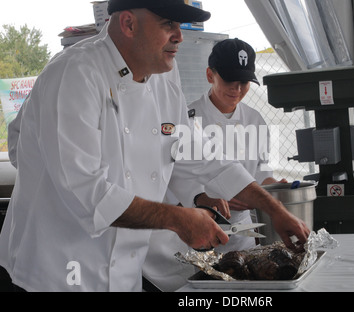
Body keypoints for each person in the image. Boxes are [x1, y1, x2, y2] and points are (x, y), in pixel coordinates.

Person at [0, 0, 309, 292]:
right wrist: (178, 219)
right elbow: (85, 193)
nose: (179, 37)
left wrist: (273, 208)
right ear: (128, 23)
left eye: (179, 24)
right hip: (56, 273)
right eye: (167, 24)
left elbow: (200, 154)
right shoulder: (75, 74)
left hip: (124, 275)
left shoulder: (164, 77)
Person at [187, 38, 287, 253]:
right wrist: (204, 198)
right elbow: (176, 178)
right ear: (209, 75)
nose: (237, 89)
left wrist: (275, 186)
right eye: (230, 80)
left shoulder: (254, 119)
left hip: (244, 234)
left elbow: (261, 170)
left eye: (244, 82)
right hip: (199, 231)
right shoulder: (188, 119)